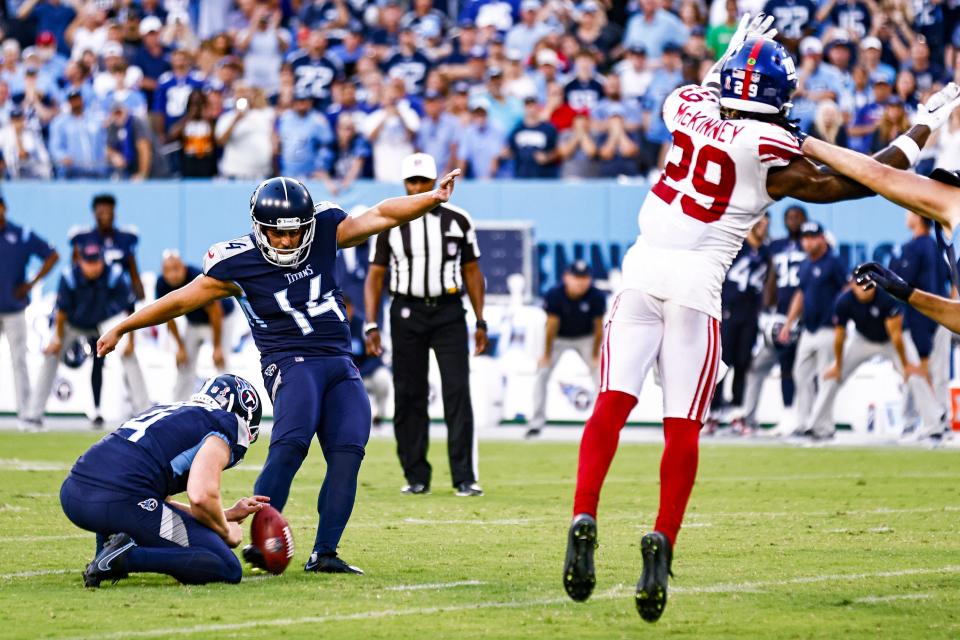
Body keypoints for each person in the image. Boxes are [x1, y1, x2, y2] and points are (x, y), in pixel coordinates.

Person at [562, 15, 958, 623]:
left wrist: (734, 54)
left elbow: (705, 93)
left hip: (640, 272)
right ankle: (662, 540)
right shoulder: (771, 149)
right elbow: (861, 181)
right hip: (696, 285)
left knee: (611, 405)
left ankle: (584, 514)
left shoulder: (686, 104)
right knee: (683, 429)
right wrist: (924, 124)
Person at [97, 170, 463, 575]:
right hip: (289, 360)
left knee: (348, 453)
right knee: (292, 441)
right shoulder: (238, 263)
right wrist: (123, 326)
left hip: (340, 361)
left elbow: (381, 215)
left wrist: (431, 198)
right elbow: (180, 301)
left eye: (295, 232)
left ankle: (325, 552)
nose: (288, 241)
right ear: (259, 228)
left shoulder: (326, 230)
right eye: (278, 233)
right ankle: (261, 541)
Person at [60, 374, 267, 587]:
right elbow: (201, 496)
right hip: (119, 501)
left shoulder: (167, 411)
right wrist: (225, 531)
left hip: (73, 492)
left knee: (136, 499)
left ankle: (106, 551)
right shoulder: (226, 424)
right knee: (226, 566)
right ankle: (123, 559)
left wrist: (227, 515)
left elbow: (160, 505)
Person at [364, 153, 487, 497]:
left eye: (423, 181)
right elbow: (375, 277)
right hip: (406, 312)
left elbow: (473, 273)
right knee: (408, 394)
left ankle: (464, 476)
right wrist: (371, 323)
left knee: (457, 392)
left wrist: (480, 319)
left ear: (434, 182)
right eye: (412, 182)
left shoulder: (458, 220)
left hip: (448, 311)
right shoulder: (390, 222)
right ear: (405, 184)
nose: (417, 187)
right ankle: (416, 474)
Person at [25, 243, 149, 428]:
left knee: (129, 355)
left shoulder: (114, 274)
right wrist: (57, 339)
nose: (93, 266)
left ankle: (144, 413)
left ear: (101, 260)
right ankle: (33, 415)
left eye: (96, 261)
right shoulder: (69, 276)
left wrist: (130, 341)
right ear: (80, 261)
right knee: (52, 355)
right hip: (75, 324)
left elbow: (128, 309)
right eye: (88, 262)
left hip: (106, 322)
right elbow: (61, 312)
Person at [806, 280, 942, 439]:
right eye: (858, 285)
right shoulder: (844, 301)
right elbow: (840, 337)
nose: (863, 289)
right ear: (852, 285)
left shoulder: (886, 298)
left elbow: (896, 336)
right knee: (832, 376)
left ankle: (933, 426)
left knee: (915, 375)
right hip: (862, 340)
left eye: (867, 285)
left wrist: (906, 365)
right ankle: (819, 426)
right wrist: (838, 365)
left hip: (891, 341)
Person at [735, 205, 807, 432]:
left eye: (797, 217)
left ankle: (797, 416)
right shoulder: (775, 246)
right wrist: (766, 310)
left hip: (802, 317)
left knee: (796, 369)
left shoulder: (811, 242)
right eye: (788, 217)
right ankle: (748, 416)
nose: (792, 221)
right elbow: (770, 279)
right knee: (758, 367)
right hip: (778, 317)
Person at [777, 221, 848, 438]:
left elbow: (846, 289)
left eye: (812, 237)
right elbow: (800, 294)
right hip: (808, 329)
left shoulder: (834, 262)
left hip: (829, 328)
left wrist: (842, 319)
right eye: (805, 237)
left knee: (825, 378)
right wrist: (789, 323)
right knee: (801, 375)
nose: (807, 241)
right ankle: (803, 422)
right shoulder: (806, 265)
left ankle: (824, 426)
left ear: (821, 238)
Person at [706, 214, 770, 434]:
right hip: (728, 313)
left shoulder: (766, 252)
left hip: (750, 315)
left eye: (765, 224)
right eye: (760, 223)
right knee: (722, 364)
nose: (763, 228)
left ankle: (737, 413)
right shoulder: (736, 248)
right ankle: (713, 413)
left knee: (743, 364)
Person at [527, 260, 605, 439]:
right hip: (558, 337)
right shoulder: (554, 295)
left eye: (584, 278)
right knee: (542, 373)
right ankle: (536, 422)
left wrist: (595, 355)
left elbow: (599, 327)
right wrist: (546, 355)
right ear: (566, 278)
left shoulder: (596, 296)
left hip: (586, 337)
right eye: (576, 277)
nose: (580, 282)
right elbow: (551, 327)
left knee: (601, 376)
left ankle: (600, 424)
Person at [0, 197, 58, 423]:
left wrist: (31, 284)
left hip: (13, 308)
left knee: (19, 360)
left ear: (4, 208)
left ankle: (26, 412)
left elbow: (52, 255)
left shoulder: (21, 234)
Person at [156, 251, 234, 401]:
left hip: (221, 319)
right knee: (184, 363)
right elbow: (167, 316)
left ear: (183, 267)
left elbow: (215, 313)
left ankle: (227, 405)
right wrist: (179, 347)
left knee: (221, 361)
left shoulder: (197, 278)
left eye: (176, 269)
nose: (173, 275)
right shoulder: (161, 284)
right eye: (168, 271)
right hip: (194, 322)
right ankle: (177, 407)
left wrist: (217, 347)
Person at [344, 295, 390, 428]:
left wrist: (360, 372)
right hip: (345, 376)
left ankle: (379, 416)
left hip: (364, 374)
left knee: (383, 378)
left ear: (352, 308)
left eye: (347, 309)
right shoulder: (334, 327)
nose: (345, 313)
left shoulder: (362, 325)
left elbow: (376, 356)